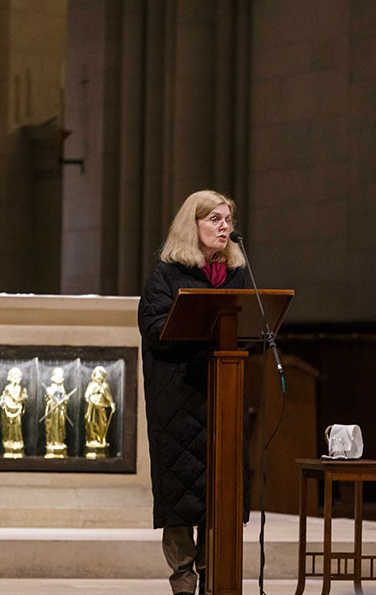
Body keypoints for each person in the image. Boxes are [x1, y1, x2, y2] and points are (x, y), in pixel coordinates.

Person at [138, 190, 246, 595]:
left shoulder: (238, 277)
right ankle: (184, 581)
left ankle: (217, 580)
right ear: (192, 224)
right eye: (214, 219)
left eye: (227, 219)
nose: (224, 227)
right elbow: (155, 329)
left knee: (223, 496)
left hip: (224, 398)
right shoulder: (166, 276)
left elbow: (250, 326)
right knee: (182, 497)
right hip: (179, 403)